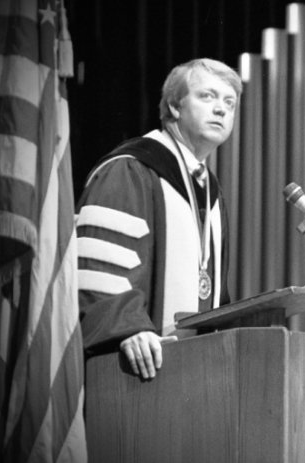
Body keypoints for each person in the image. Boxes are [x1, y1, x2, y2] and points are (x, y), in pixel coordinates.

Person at [76, 58, 241, 378]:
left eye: (229, 102)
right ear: (175, 107)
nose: (221, 109)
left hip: (194, 374)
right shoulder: (131, 168)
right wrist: (126, 328)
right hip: (132, 371)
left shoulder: (210, 190)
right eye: (207, 96)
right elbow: (102, 265)